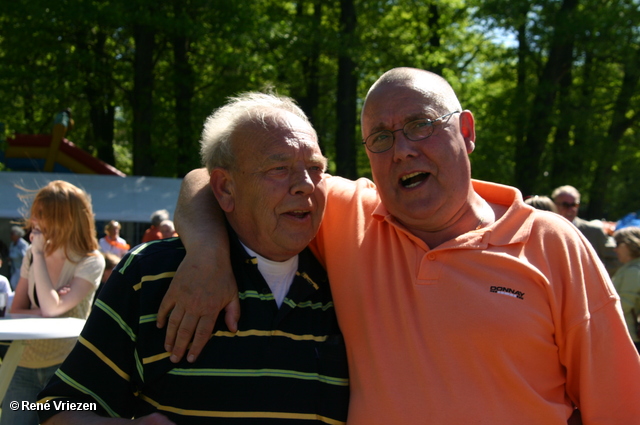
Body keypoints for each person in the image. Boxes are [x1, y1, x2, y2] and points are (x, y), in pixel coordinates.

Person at [161, 68, 640, 424]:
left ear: (467, 132)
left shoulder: (551, 243)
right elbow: (211, 179)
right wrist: (207, 255)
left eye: (421, 125)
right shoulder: (345, 214)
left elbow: (619, 408)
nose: (402, 149)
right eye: (381, 137)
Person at [37, 92, 348, 425]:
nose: (305, 184)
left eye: (315, 168)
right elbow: (49, 408)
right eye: (279, 168)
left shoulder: (345, 277)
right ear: (226, 189)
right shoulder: (152, 274)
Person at [3, 180, 105, 425]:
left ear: (65, 218)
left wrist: (38, 255)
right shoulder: (32, 253)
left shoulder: (91, 261)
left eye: (41, 214)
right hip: (23, 363)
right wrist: (52, 304)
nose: (34, 221)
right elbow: (15, 309)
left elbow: (48, 309)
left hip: (66, 369)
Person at [551, 185, 619, 275]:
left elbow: (620, 257)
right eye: (565, 205)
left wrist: (595, 273)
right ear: (554, 205)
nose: (571, 209)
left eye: (574, 205)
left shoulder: (593, 231)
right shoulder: (546, 230)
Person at [611, 226, 640, 353]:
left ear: (630, 243)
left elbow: (623, 305)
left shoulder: (633, 270)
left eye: (618, 244)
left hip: (628, 336)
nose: (615, 249)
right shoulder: (631, 268)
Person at [8, 225, 30, 290]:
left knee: (22, 286)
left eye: (12, 234)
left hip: (22, 268)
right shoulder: (12, 244)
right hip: (15, 269)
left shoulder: (23, 244)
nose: (11, 236)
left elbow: (25, 256)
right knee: (13, 283)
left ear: (17, 235)